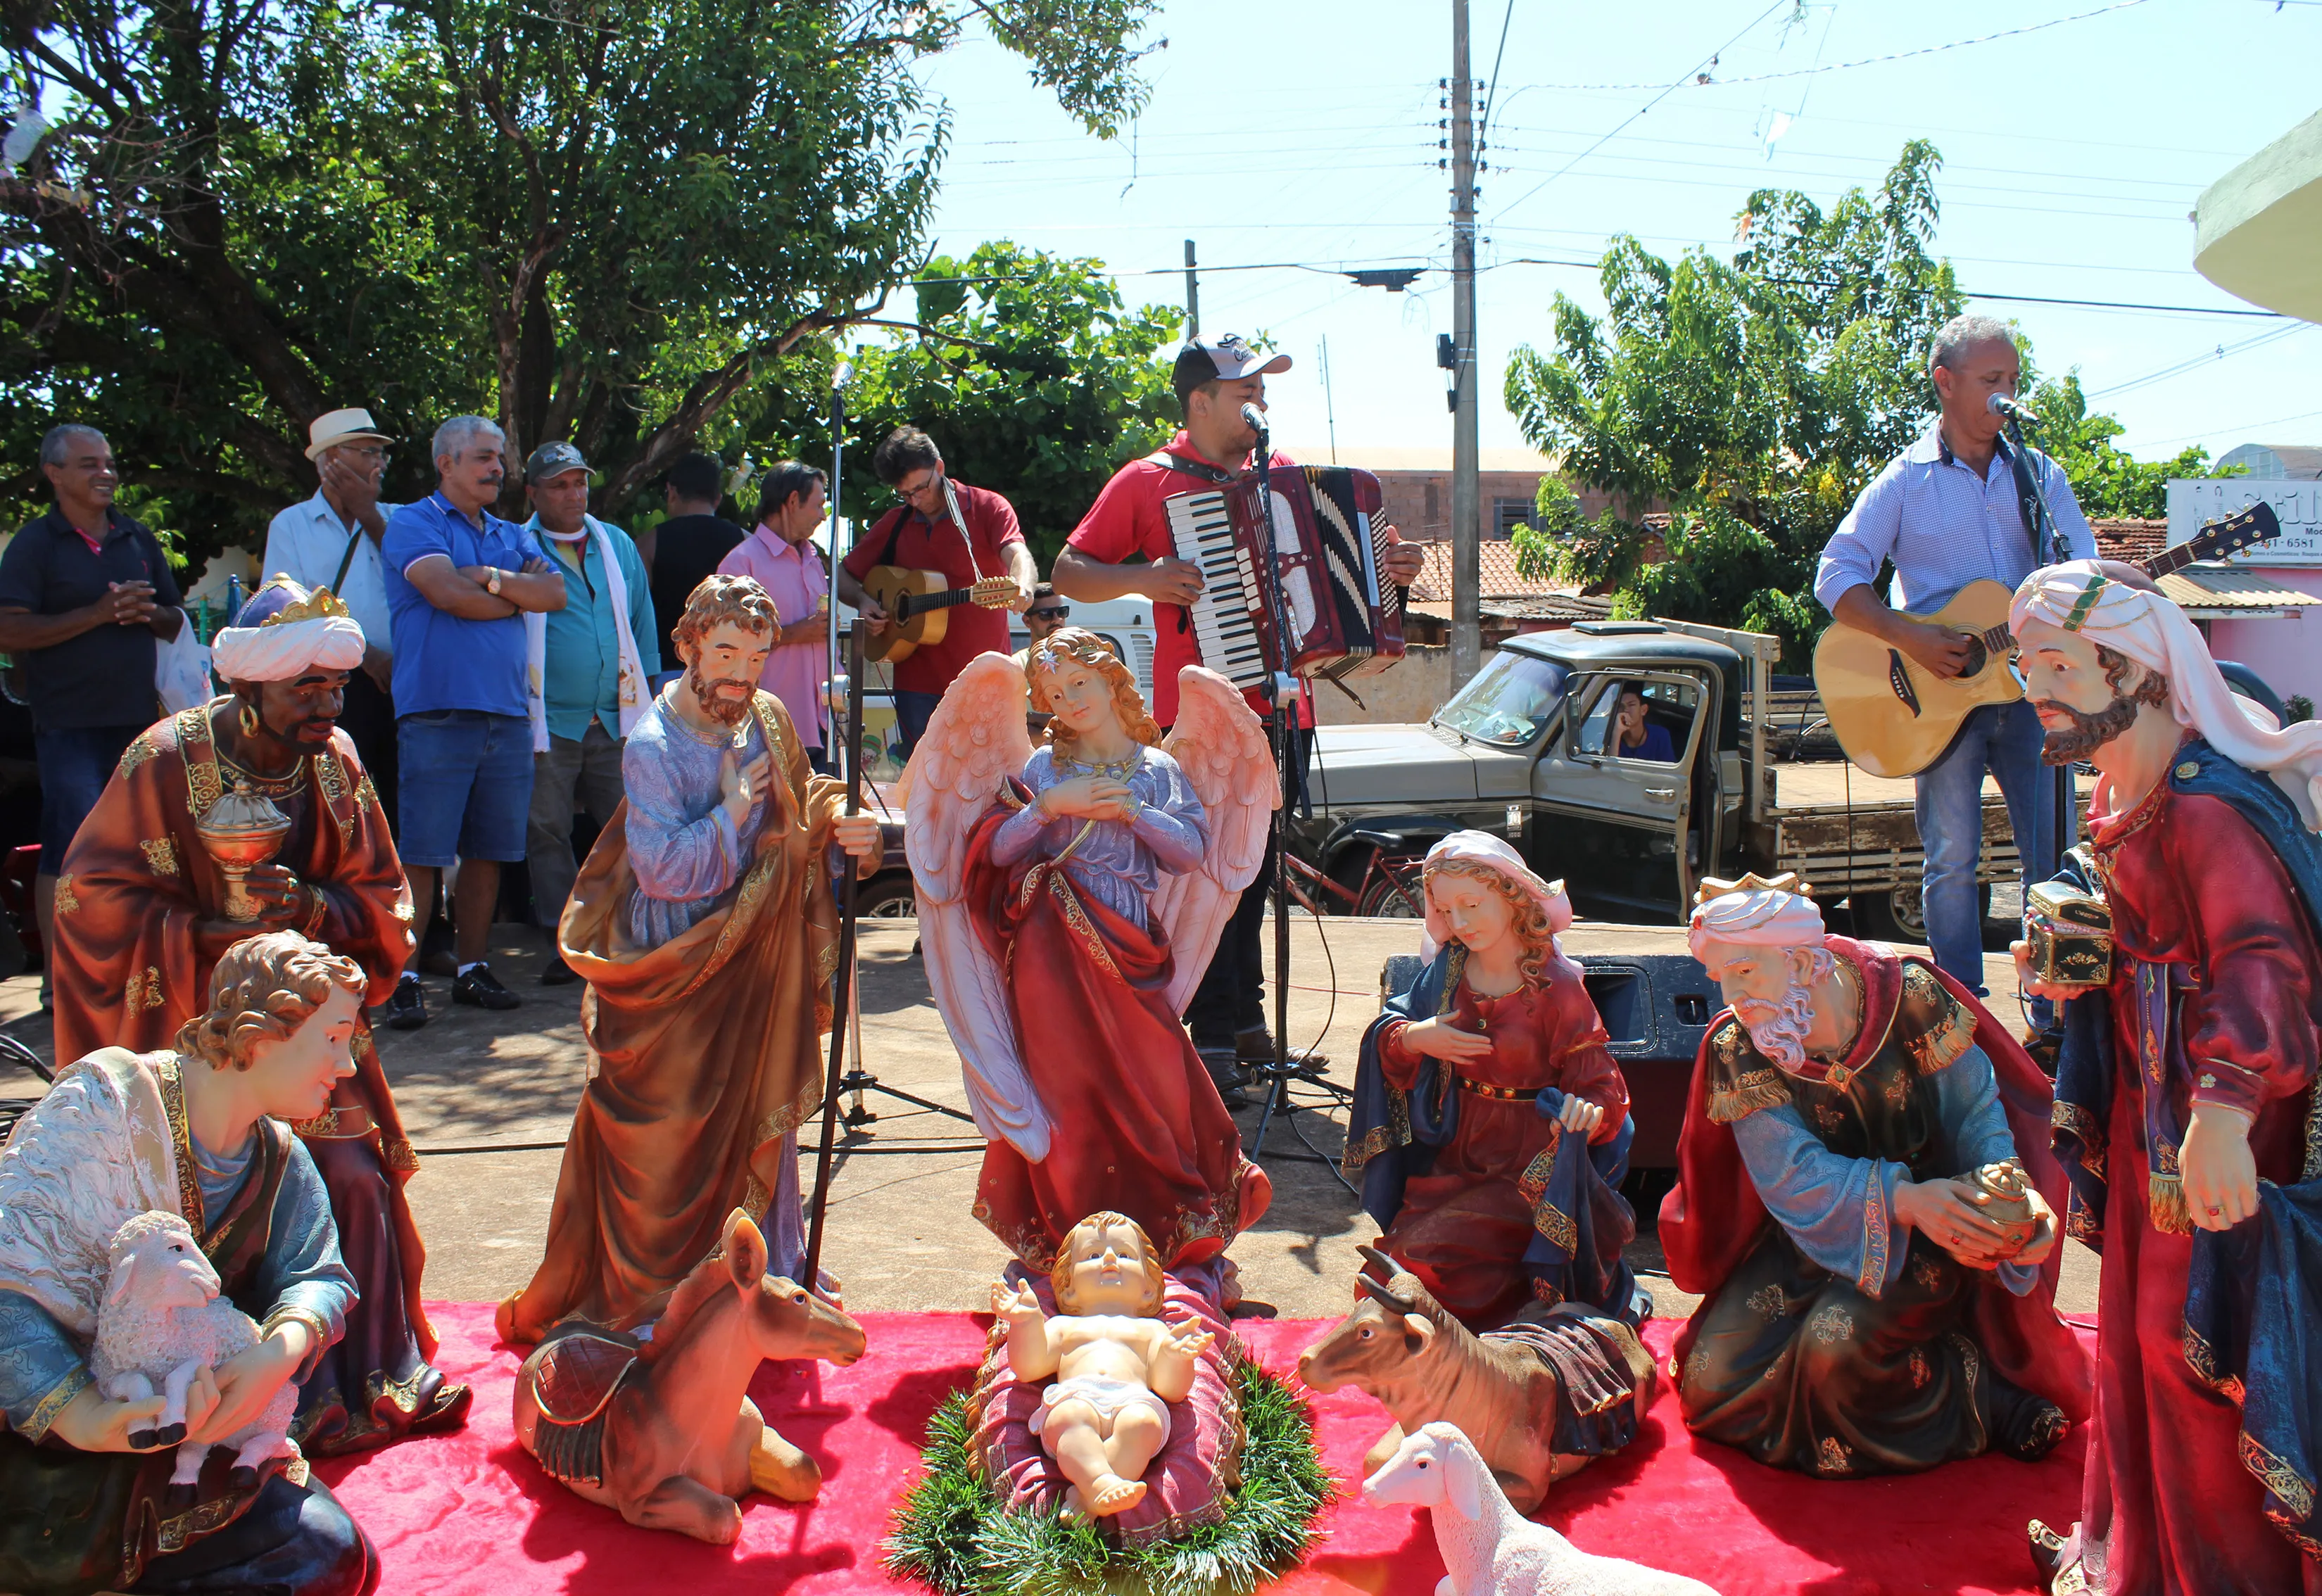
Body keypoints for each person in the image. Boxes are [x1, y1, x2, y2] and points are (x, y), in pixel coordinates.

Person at [49, 576, 469, 1456]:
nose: (325, 703)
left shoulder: (337, 761)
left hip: (304, 1022)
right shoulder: (167, 759)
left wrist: (310, 905)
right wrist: (197, 928)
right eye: (302, 687)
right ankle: (217, 1379)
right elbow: (89, 895)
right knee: (200, 1195)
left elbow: (384, 899)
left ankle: (366, 1378)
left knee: (351, 1176)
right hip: (192, 1024)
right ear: (248, 686)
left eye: (334, 685)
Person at [2008, 561, 2322, 1595]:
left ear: (2135, 673)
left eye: (2054, 662)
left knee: (2191, 1357)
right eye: (2025, 664)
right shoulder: (2116, 795)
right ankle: (2135, 1560)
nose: (2032, 685)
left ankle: (2223, 1578)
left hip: (2216, 1131)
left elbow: (2261, 963)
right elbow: (2136, 948)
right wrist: (2070, 965)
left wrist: (2226, 1110)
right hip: (2152, 1118)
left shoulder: (2201, 809)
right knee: (2131, 1352)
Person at [498, 576, 881, 1343]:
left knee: (749, 1109)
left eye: (758, 656)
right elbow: (665, 869)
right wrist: (733, 809)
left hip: (753, 954)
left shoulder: (766, 718)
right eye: (726, 652)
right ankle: (659, 1290)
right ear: (689, 646)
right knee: (669, 1128)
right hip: (675, 959)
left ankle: (761, 1263)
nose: (741, 674)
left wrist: (847, 829)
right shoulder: (652, 745)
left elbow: (803, 808)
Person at [1054, 336, 1425, 1081]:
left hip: (1285, 707)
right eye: (1241, 391)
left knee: (1254, 873)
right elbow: (1070, 570)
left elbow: (1344, 572)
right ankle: (1212, 1035)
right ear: (1198, 401)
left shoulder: (1285, 476)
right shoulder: (1146, 481)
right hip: (1197, 716)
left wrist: (1394, 572)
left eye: (1259, 389)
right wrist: (1146, 577)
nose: (1257, 401)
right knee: (1209, 873)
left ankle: (1245, 1023)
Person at [1661, 873, 2088, 1478]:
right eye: (1721, 977)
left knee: (1832, 1352)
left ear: (1805, 962)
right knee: (1712, 1387)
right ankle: (1950, 1379)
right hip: (1816, 1232)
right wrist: (1901, 1199)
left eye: (1746, 972)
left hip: (1935, 1230)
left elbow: (1973, 1116)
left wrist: (2008, 1193)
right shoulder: (1742, 1043)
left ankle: (1989, 1403)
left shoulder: (1906, 995)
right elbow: (1787, 1173)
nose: (1732, 995)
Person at [0, 933, 381, 1596]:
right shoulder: (108, 1109)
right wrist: (85, 1416)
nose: (346, 1065)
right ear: (263, 1033)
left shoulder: (277, 1155)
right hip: (56, 1440)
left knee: (329, 1554)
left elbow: (319, 1278)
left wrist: (272, 1360)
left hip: (194, 1430)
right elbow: (8, 1283)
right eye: (332, 1037)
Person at [905, 630, 1274, 1272]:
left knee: (1156, 1073)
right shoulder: (1043, 769)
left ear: (1112, 683)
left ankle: (1168, 1222)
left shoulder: (1158, 769)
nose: (1070, 699)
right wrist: (1049, 806)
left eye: (1081, 683)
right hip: (1048, 950)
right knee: (1064, 1086)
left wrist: (1134, 813)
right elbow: (994, 852)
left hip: (1129, 941)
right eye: (1054, 691)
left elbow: (1192, 854)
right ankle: (1070, 1233)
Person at [1342, 832, 1658, 1471]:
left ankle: (1482, 1381)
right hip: (1455, 1150)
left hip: (1525, 1167)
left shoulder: (1555, 984)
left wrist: (1584, 1113)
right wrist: (1414, 1038)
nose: (1458, 923)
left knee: (1411, 1271)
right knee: (1383, 1282)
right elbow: (1393, 1034)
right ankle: (1461, 1378)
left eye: (1471, 906)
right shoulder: (1448, 970)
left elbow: (1599, 1084)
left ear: (1512, 900)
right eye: (1445, 909)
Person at [1814, 315, 2096, 997]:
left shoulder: (2036, 474)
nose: (2005, 394)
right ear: (1944, 383)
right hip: (1931, 701)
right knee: (1949, 860)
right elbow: (1835, 577)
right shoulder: (1904, 481)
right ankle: (1960, 1011)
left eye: (2012, 382)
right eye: (1990, 380)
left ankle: (2051, 1011)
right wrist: (1908, 637)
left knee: (2054, 856)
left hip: (2030, 694)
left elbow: (2082, 569)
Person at [376, 415, 566, 1027]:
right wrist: (512, 592)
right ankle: (401, 976)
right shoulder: (414, 521)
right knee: (423, 855)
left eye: (500, 460)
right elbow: (443, 594)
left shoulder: (511, 532)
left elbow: (554, 595)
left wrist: (485, 577)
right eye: (484, 458)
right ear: (447, 463)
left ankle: (471, 970)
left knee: (489, 851)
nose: (496, 470)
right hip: (437, 711)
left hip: (507, 714)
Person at [0, 424, 184, 1003]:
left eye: (108, 463)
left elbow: (177, 619)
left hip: (139, 722)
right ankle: (61, 981)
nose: (104, 473)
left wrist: (145, 611)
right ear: (55, 474)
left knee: (139, 850)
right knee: (70, 848)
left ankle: (129, 972)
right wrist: (98, 612)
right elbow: (10, 628)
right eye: (87, 464)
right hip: (69, 725)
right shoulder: (35, 544)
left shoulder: (135, 537)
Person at [520, 441, 657, 983]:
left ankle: (628, 933)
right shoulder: (518, 546)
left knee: (630, 828)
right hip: (548, 718)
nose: (573, 493)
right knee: (546, 831)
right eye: (558, 485)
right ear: (533, 493)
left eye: (579, 482)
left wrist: (649, 704)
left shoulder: (614, 543)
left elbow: (643, 623)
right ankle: (565, 942)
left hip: (618, 713)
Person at [838, 426, 1035, 759]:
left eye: (920, 489)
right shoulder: (896, 522)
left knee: (989, 782)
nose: (915, 501)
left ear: (940, 468)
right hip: (917, 687)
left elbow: (1018, 553)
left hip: (983, 681)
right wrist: (864, 601)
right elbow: (842, 574)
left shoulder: (988, 507)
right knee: (923, 787)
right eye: (905, 495)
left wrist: (1023, 584)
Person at [260, 407, 403, 829]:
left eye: (383, 454)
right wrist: (367, 656)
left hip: (403, 682)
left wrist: (368, 513)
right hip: (329, 687)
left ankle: (405, 895)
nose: (379, 463)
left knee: (403, 807)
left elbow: (419, 574)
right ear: (331, 461)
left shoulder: (397, 519)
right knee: (335, 802)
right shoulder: (292, 525)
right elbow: (287, 610)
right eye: (368, 452)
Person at [716, 461, 831, 771]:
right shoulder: (741, 563)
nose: (823, 516)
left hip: (823, 722)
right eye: (819, 505)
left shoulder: (813, 558)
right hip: (766, 726)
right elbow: (726, 646)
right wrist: (794, 633)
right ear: (793, 501)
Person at [641, 450, 745, 673]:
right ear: (717, 498)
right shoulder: (746, 542)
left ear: (672, 492)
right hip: (730, 671)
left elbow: (636, 612)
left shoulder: (649, 543)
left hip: (669, 672)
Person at [1013, 583, 1071, 740]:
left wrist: (1035, 719)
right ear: (1027, 621)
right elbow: (1011, 726)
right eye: (1045, 614)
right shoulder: (1016, 665)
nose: (1056, 619)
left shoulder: (1080, 660)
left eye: (1061, 612)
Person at [1605, 682, 1675, 762]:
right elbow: (1608, 770)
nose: (1626, 710)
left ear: (1643, 710)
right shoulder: (1609, 735)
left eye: (1631, 705)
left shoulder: (1660, 735)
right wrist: (1617, 734)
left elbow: (1668, 771)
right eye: (1620, 706)